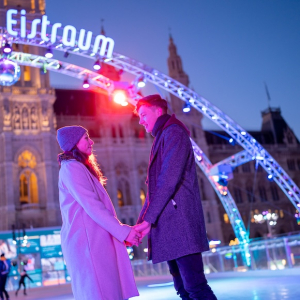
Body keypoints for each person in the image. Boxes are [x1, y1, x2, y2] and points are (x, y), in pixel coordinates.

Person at [135, 95, 217, 300]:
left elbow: (168, 180)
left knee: (195, 287)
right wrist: (142, 222)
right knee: (183, 289)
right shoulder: (162, 136)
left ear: (158, 111)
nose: (140, 121)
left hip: (180, 223)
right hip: (170, 224)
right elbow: (154, 187)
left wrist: (148, 219)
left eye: (144, 114)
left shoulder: (174, 133)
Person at [57, 126, 140, 300]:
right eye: (86, 138)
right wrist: (123, 232)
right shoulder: (71, 168)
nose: (91, 142)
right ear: (74, 143)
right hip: (88, 246)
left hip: (94, 243)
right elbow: (93, 206)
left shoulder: (78, 167)